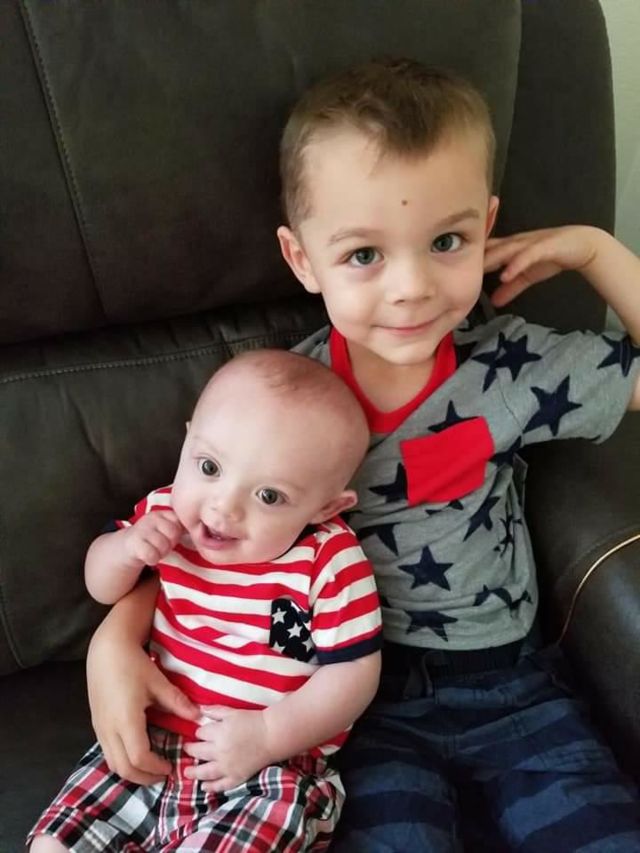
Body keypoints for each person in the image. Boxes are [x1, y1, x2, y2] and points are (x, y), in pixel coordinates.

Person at [84, 58, 640, 851]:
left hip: (511, 686)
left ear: (486, 227)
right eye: (364, 254)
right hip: (348, 707)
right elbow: (197, 535)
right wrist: (114, 637)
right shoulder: (277, 399)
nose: (412, 286)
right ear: (302, 259)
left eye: (446, 240)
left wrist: (593, 249)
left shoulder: (517, 367)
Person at [28, 349, 382, 852]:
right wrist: (125, 549)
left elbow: (354, 674)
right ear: (188, 439)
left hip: (266, 766)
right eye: (210, 466)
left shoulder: (328, 559)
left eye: (269, 496)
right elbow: (100, 587)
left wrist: (268, 734)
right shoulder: (163, 515)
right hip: (149, 740)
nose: (223, 507)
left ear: (325, 507)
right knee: (54, 842)